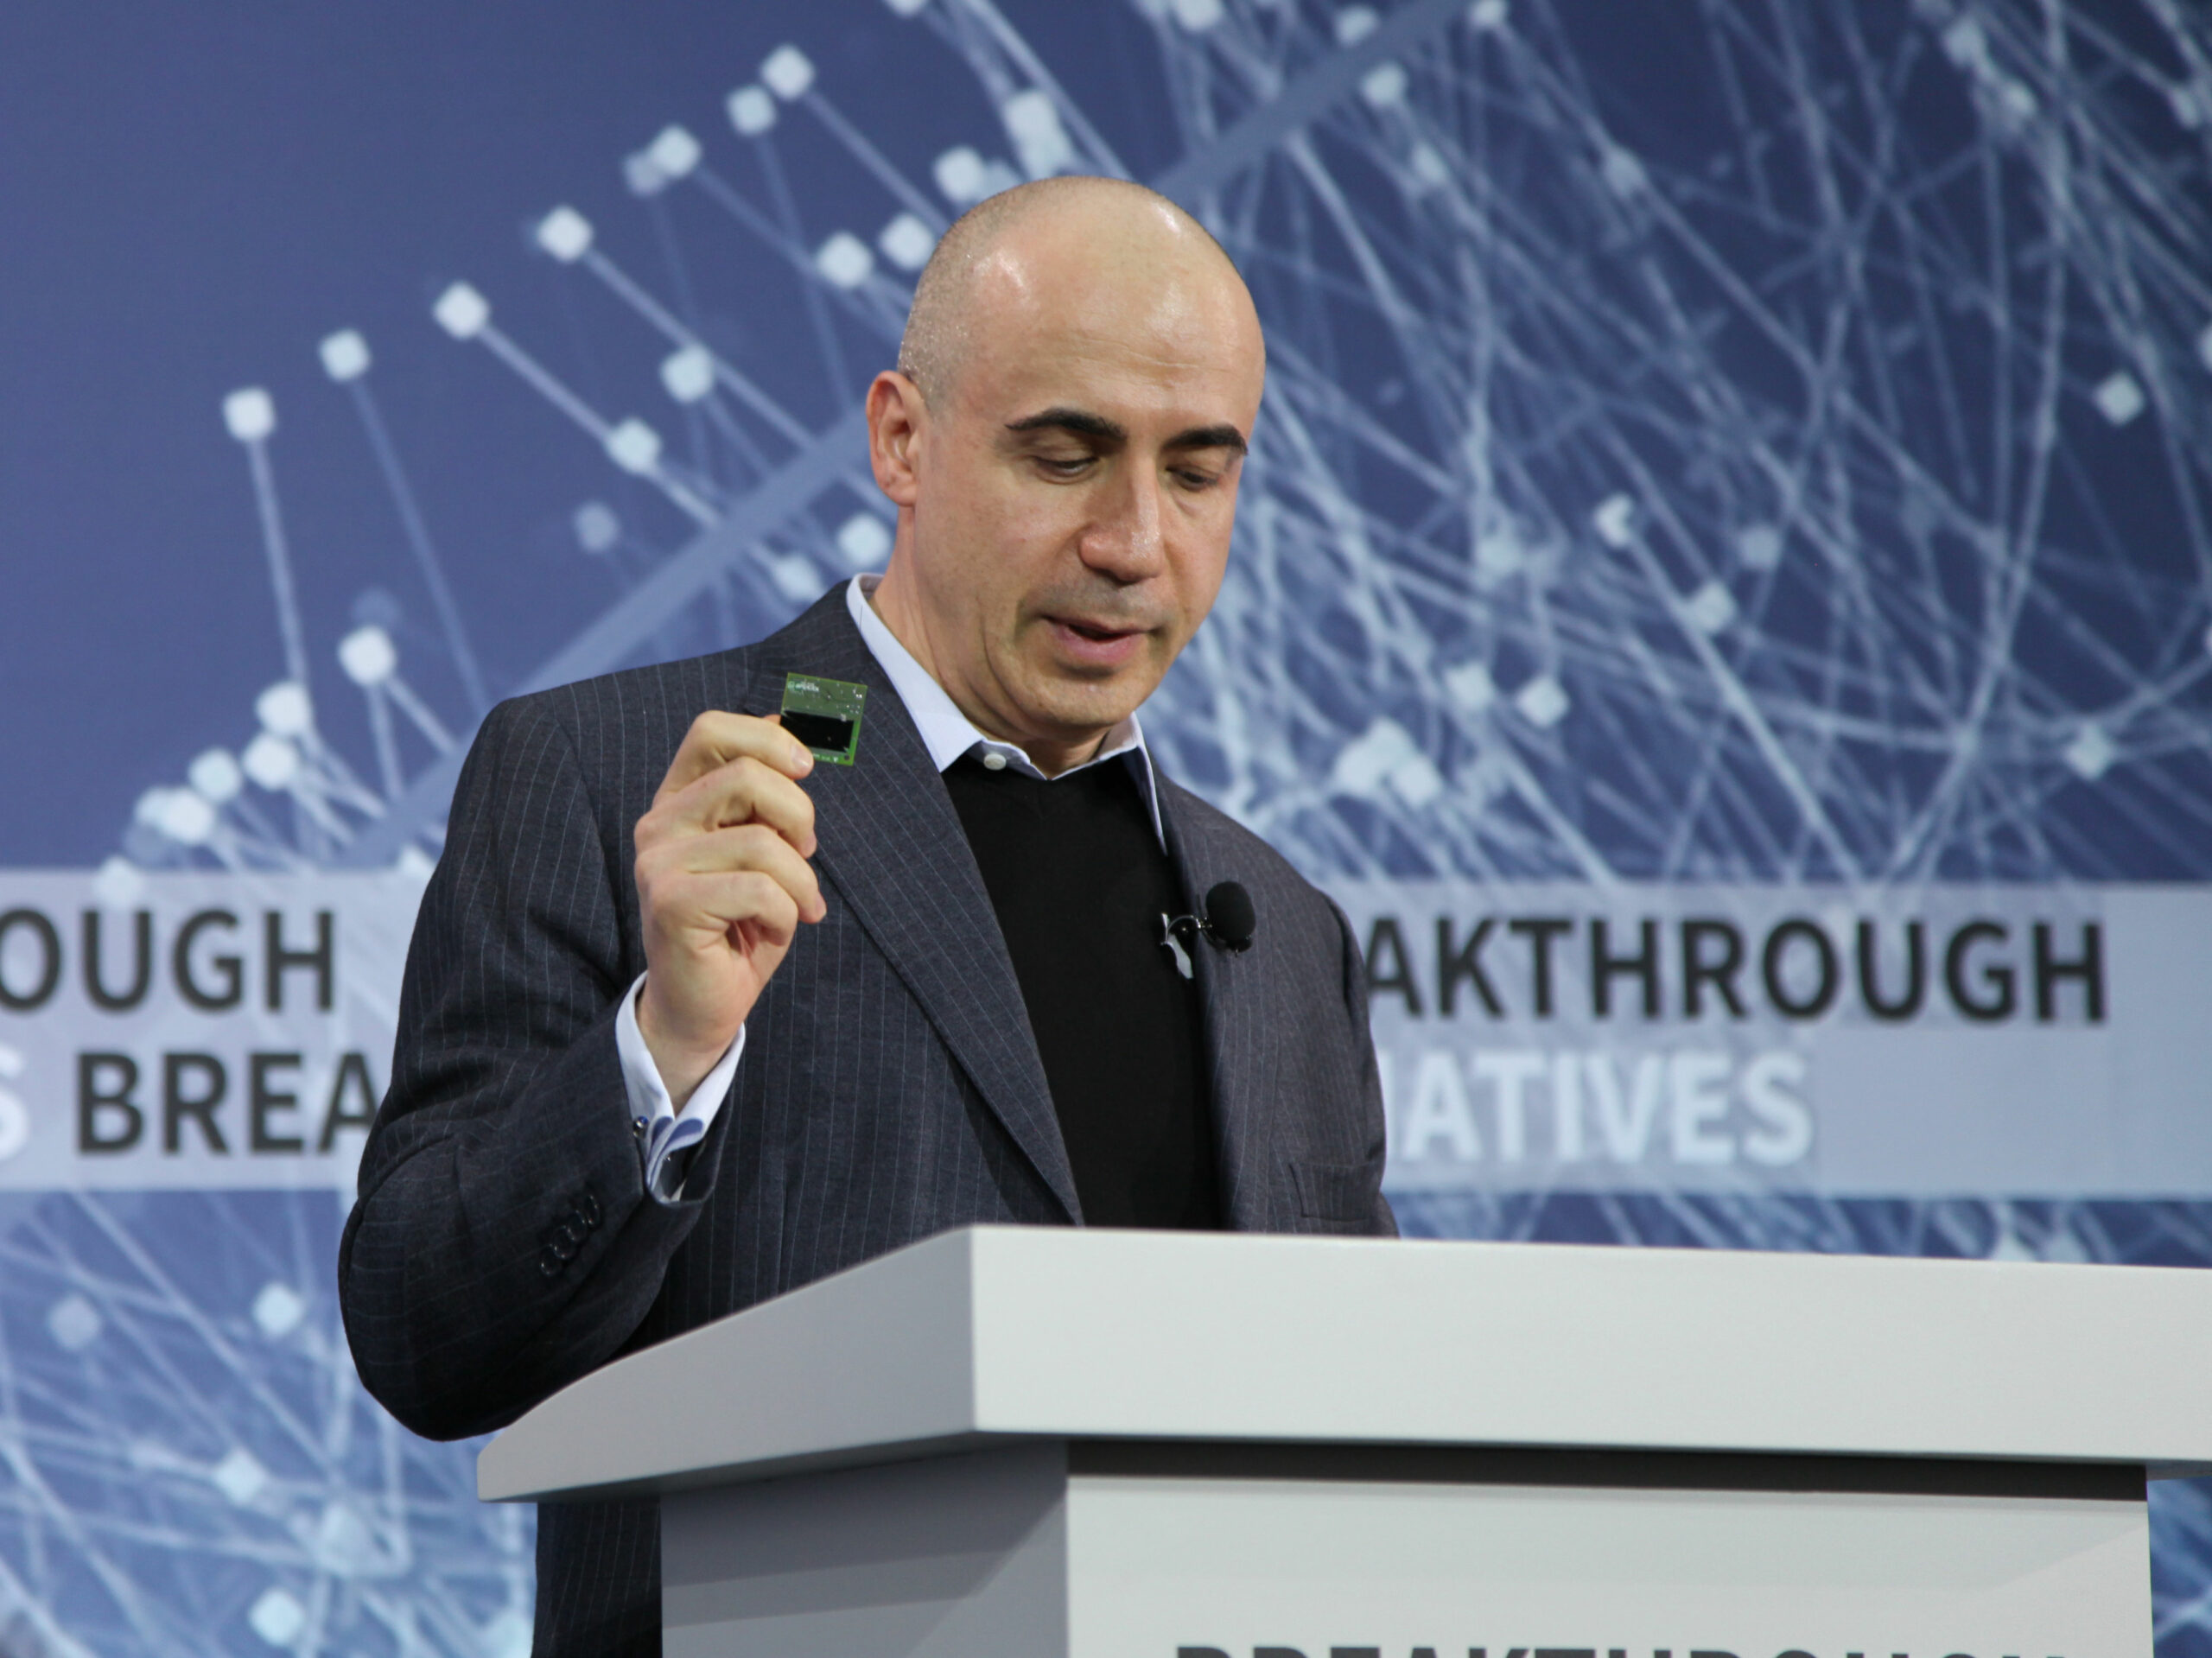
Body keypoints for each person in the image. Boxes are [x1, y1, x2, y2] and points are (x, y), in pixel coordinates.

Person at [338, 175, 1393, 1655]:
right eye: (1066, 454)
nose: (1135, 539)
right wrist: (664, 1053)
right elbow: (423, 1336)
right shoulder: (615, 778)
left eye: (1200, 470)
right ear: (902, 437)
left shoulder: (1282, 931)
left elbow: (1358, 1443)